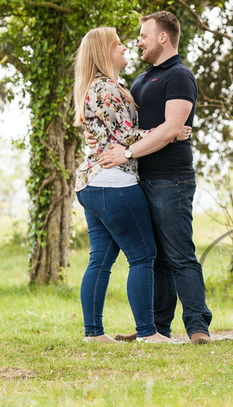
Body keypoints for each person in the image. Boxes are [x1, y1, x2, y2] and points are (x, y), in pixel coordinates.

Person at [95, 11, 213, 345]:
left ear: (163, 37)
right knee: (155, 256)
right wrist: (102, 140)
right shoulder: (142, 79)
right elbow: (129, 128)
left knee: (178, 254)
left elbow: (173, 128)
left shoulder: (179, 76)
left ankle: (197, 327)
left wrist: (128, 153)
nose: (139, 41)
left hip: (169, 178)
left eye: (144, 35)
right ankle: (157, 328)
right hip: (140, 179)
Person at [73, 26, 189, 344]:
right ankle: (149, 332)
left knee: (101, 258)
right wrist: (171, 131)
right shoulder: (107, 89)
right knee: (143, 256)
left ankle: (94, 334)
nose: (126, 47)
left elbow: (116, 134)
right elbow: (125, 138)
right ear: (104, 51)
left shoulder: (101, 86)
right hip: (114, 183)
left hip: (93, 184)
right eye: (118, 43)